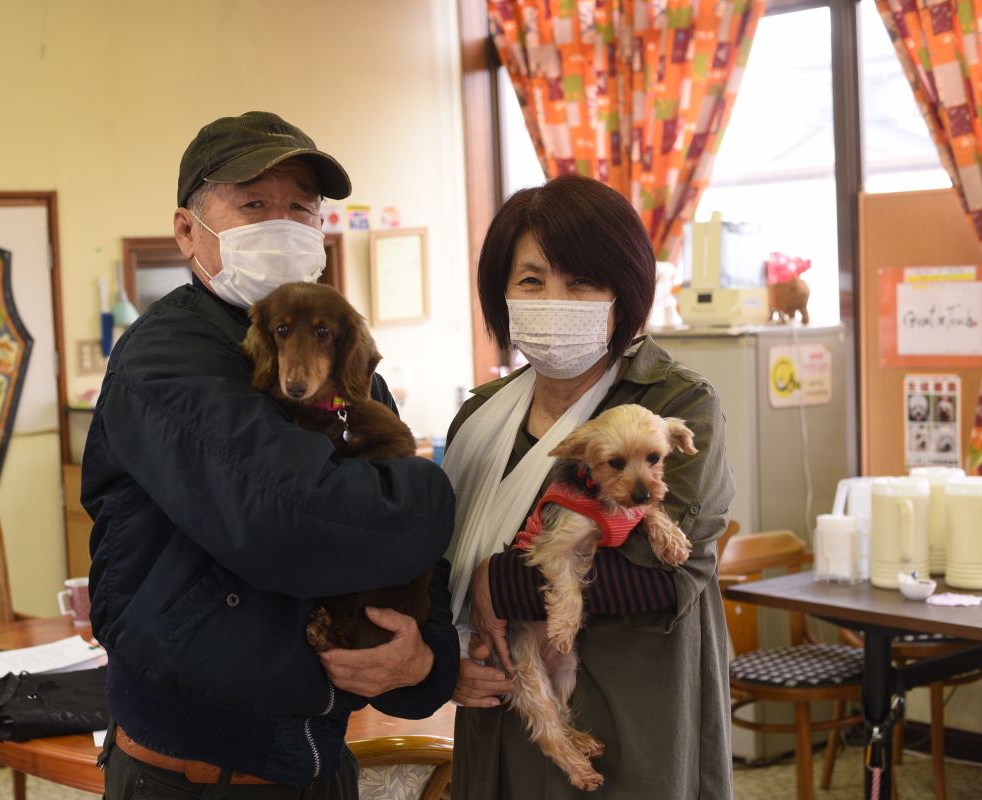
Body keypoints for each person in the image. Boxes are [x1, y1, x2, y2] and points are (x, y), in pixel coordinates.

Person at [82, 111, 458, 800]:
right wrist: (433, 494)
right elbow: (293, 523)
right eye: (253, 204)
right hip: (191, 774)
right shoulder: (165, 360)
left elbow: (413, 556)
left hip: (316, 760)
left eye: (301, 208)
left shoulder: (341, 354)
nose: (281, 223)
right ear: (188, 230)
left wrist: (423, 658)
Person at [444, 175, 735, 798]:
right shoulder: (482, 418)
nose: (554, 298)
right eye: (531, 280)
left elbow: (662, 575)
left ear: (621, 294)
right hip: (501, 720)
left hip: (631, 723)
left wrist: (496, 580)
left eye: (581, 281)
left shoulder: (673, 403)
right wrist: (444, 660)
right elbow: (438, 562)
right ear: (501, 295)